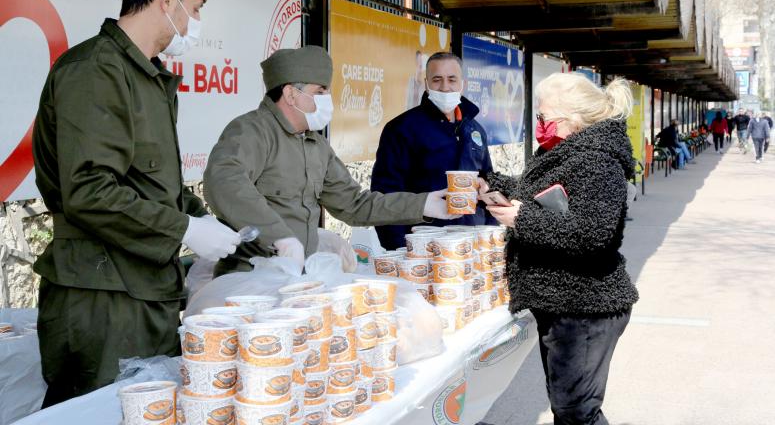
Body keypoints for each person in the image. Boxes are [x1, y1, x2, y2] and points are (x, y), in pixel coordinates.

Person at [30, 0, 242, 406]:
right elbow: (89, 191)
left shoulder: (148, 78)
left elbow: (152, 184)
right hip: (101, 299)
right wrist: (186, 229)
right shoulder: (95, 71)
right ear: (167, 1)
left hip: (144, 290)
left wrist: (210, 225)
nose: (193, 23)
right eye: (195, 9)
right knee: (102, 412)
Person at [203, 46, 456, 276]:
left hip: (298, 279)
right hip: (250, 278)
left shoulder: (316, 145)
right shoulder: (252, 131)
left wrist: (422, 204)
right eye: (320, 91)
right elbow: (224, 182)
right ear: (291, 94)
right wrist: (280, 237)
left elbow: (355, 205)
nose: (327, 98)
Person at [479, 73, 638, 425]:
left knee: (576, 413)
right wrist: (493, 185)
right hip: (563, 303)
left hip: (585, 307)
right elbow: (533, 192)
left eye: (543, 117)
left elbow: (592, 234)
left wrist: (522, 220)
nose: (538, 125)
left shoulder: (598, 161)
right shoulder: (565, 151)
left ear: (573, 118)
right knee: (569, 408)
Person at [371, 51, 496, 250]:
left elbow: (489, 182)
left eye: (452, 79)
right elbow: (386, 193)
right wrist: (398, 248)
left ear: (462, 83)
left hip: (472, 245)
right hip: (424, 245)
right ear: (426, 83)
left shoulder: (475, 129)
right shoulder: (402, 129)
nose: (445, 87)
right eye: (437, 80)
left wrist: (490, 230)